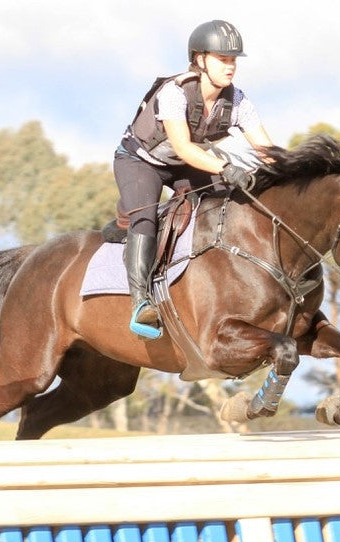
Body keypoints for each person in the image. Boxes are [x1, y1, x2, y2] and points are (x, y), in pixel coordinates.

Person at [114, 19, 274, 340]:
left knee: (226, 202)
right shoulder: (174, 93)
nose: (231, 67)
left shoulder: (238, 100)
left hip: (185, 165)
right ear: (200, 60)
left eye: (233, 61)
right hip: (140, 162)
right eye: (223, 59)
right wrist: (225, 167)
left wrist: (292, 173)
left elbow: (267, 150)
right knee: (145, 219)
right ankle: (141, 300)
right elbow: (184, 148)